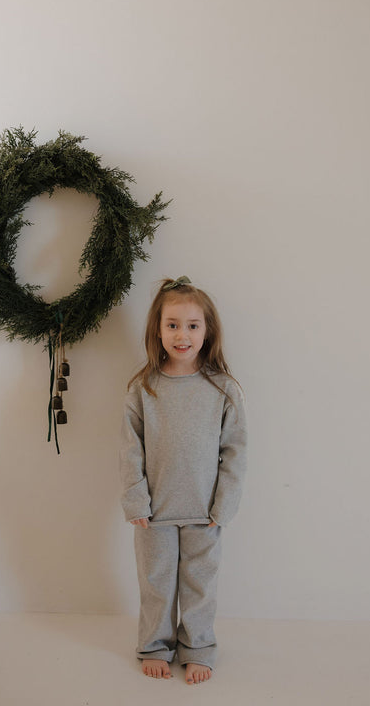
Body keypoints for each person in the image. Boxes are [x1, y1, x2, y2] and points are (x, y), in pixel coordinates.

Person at [120, 276, 247, 685]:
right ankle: (155, 646)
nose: (182, 334)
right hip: (154, 512)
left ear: (207, 331)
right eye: (172, 324)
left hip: (204, 512)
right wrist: (136, 500)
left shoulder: (223, 390)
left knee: (200, 586)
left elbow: (235, 453)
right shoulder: (143, 389)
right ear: (157, 329)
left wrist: (223, 506)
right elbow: (130, 450)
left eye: (193, 325)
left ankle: (198, 648)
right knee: (156, 584)